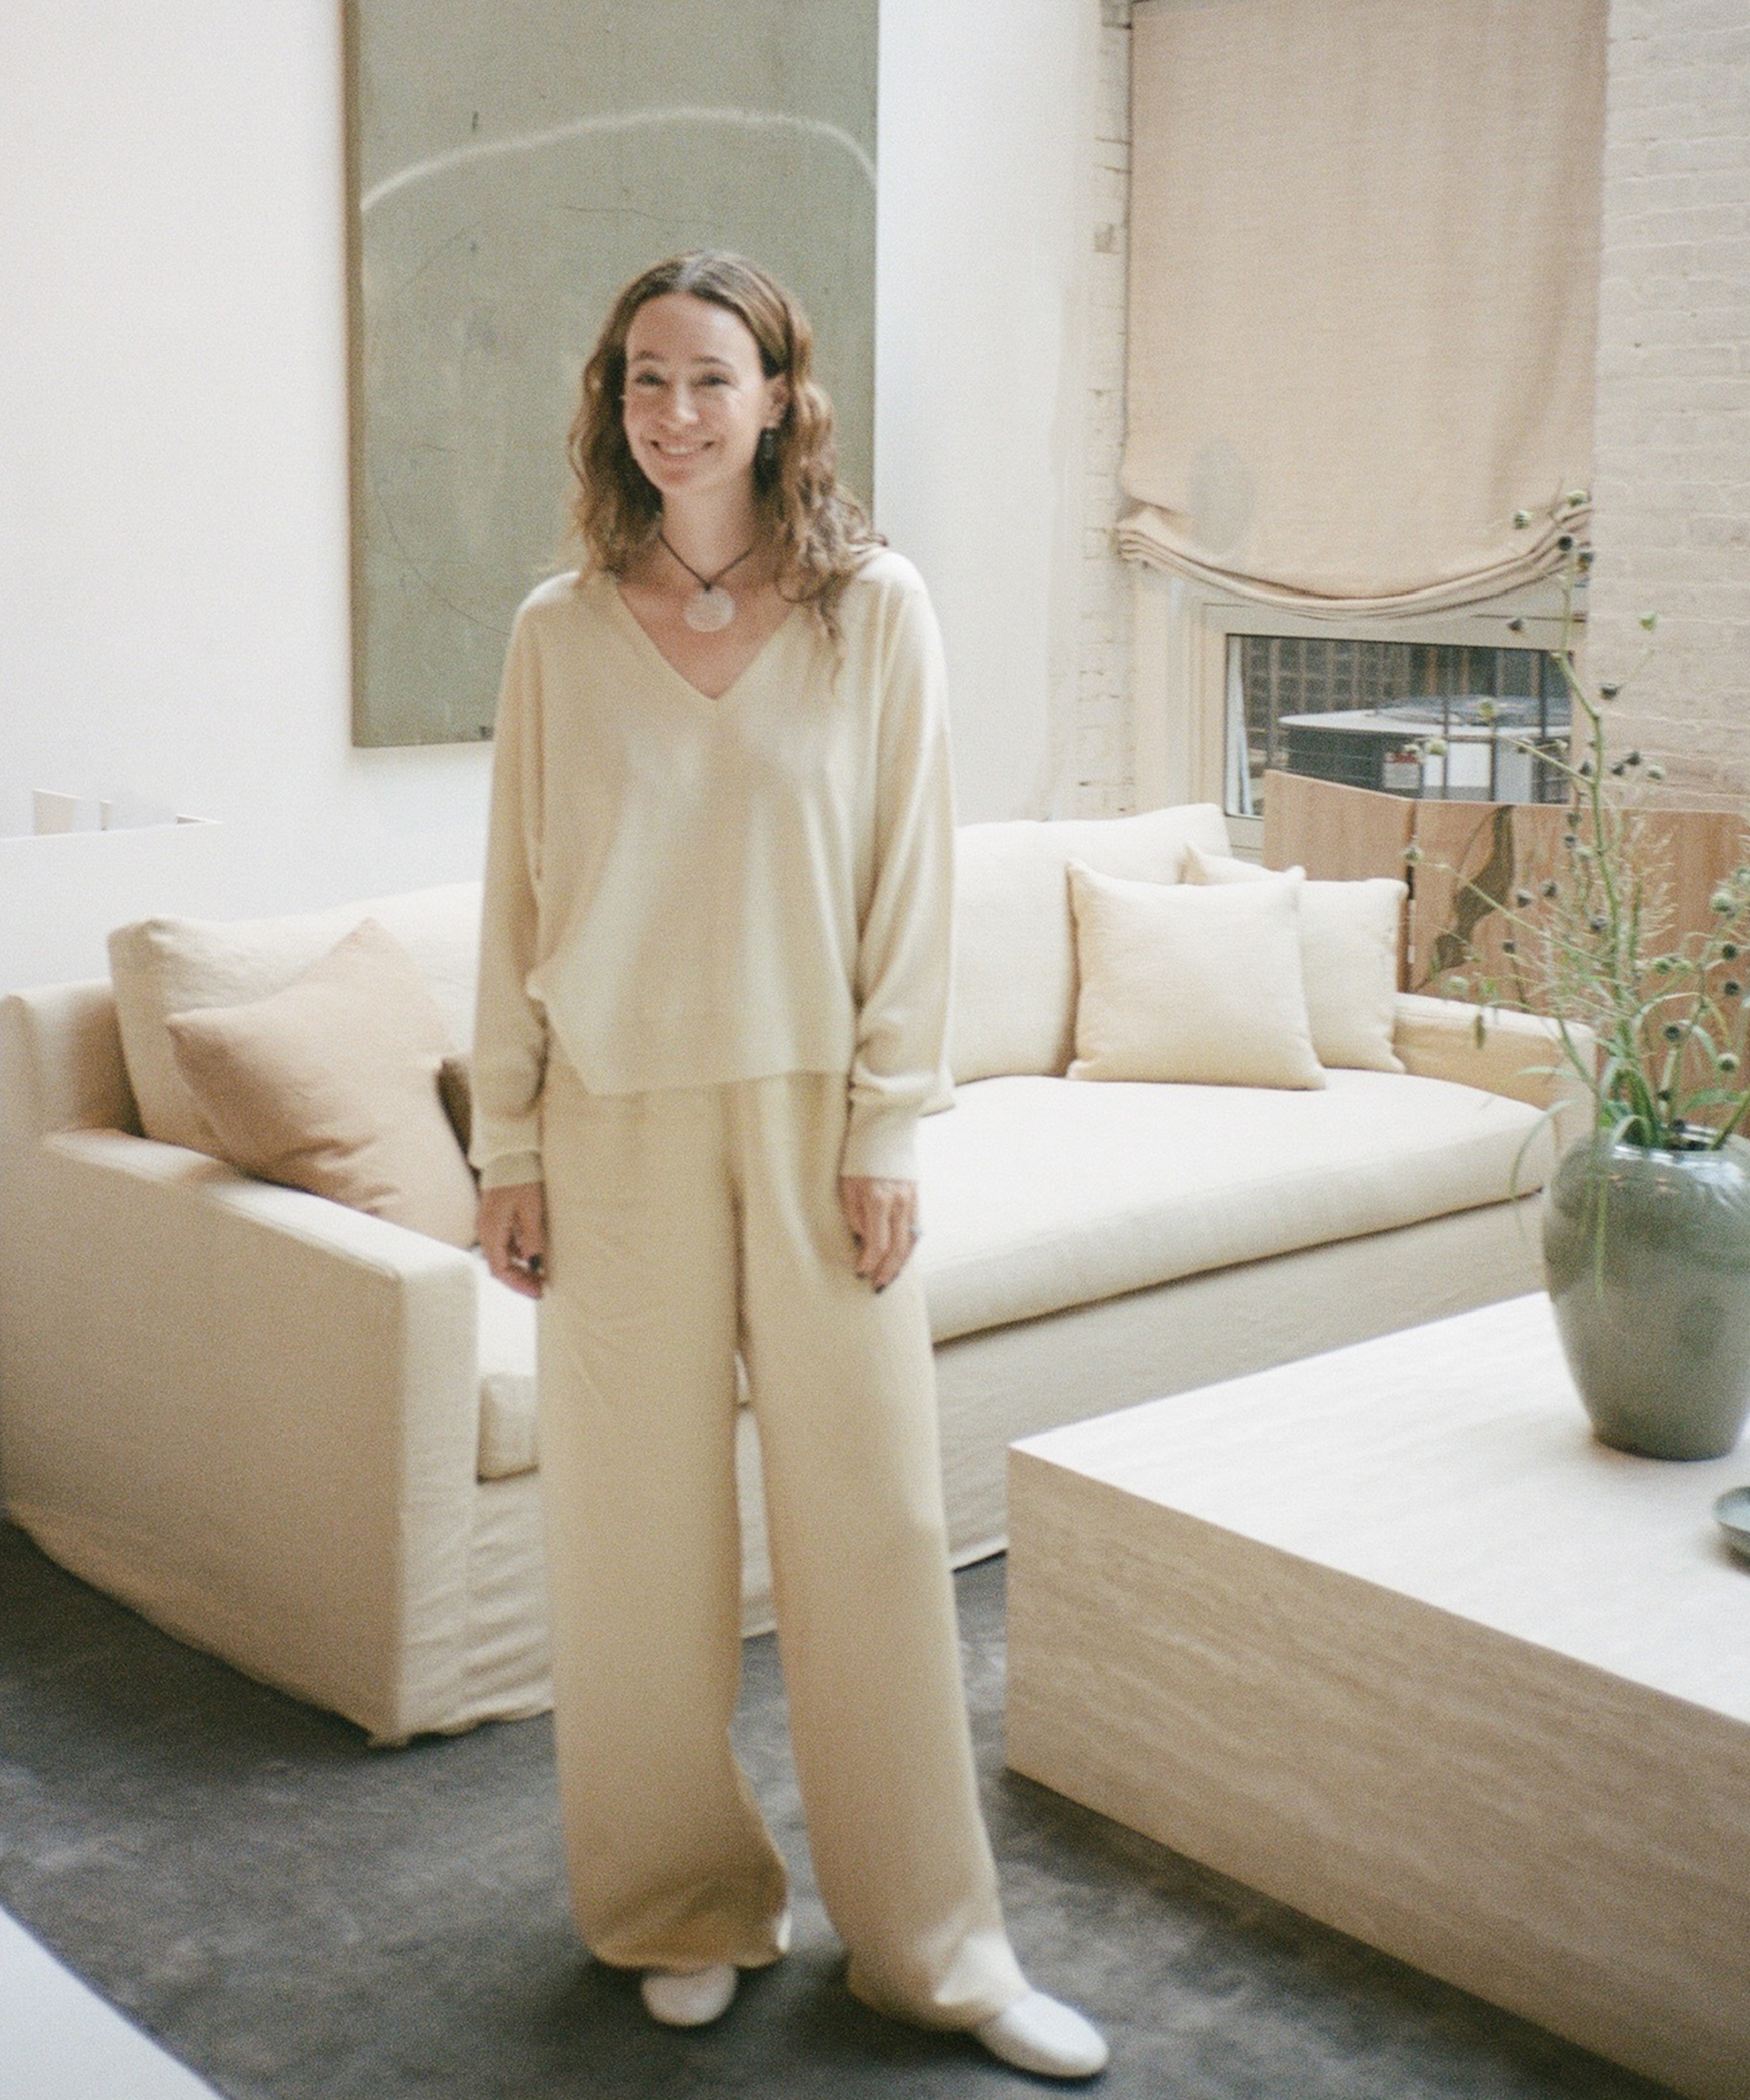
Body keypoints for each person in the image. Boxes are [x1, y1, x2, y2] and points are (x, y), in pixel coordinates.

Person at [470, 250, 1108, 2082]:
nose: (674, 413)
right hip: (610, 1124)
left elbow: (909, 888)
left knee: (878, 1532)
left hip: (816, 1120)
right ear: (616, 403)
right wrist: (507, 1143)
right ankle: (676, 1903)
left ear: (778, 399)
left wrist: (886, 1119)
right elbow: (518, 898)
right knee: (634, 1545)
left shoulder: (872, 611)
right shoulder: (556, 628)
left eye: (710, 379)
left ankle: (936, 1948)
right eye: (644, 381)